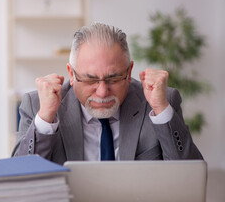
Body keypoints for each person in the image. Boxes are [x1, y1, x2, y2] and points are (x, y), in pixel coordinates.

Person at [12, 22, 203, 164]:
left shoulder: (160, 101)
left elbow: (189, 176)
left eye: (113, 79)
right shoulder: (38, 105)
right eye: (90, 79)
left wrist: (162, 112)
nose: (102, 92)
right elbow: (19, 180)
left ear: (129, 72)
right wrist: (45, 119)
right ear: (71, 74)